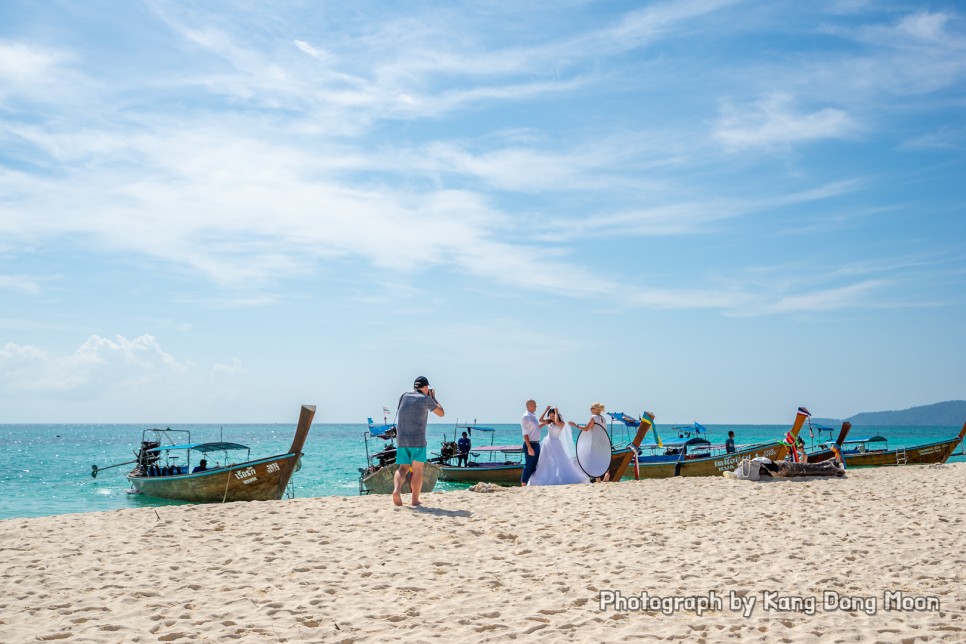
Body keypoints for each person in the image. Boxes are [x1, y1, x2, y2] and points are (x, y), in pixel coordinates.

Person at [392, 376, 445, 507]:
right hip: (418, 441)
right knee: (417, 470)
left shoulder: (403, 396)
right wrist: (433, 398)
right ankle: (414, 500)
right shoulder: (426, 399)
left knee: (402, 468)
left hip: (402, 440)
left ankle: (396, 490)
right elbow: (441, 413)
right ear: (426, 388)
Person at [528, 408, 589, 486]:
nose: (551, 418)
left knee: (558, 461)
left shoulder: (561, 423)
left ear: (557, 415)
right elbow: (540, 419)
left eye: (553, 416)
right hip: (547, 443)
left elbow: (557, 422)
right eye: (550, 416)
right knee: (545, 461)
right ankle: (547, 475)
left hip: (555, 443)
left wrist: (556, 412)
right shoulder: (549, 422)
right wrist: (546, 410)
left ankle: (557, 477)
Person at [568, 402, 610, 482]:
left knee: (593, 460)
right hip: (604, 442)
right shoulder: (603, 419)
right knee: (604, 459)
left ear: (597, 409)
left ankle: (598, 479)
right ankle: (607, 473)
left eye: (592, 408)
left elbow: (587, 429)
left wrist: (575, 425)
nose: (590, 410)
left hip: (595, 443)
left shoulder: (593, 417)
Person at [521, 399, 548, 485]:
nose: (536, 406)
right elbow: (525, 434)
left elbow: (536, 428)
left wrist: (546, 423)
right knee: (528, 465)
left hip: (536, 444)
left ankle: (531, 483)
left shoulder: (533, 416)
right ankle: (523, 484)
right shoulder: (525, 417)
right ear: (530, 406)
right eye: (535, 405)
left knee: (534, 466)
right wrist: (529, 447)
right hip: (530, 444)